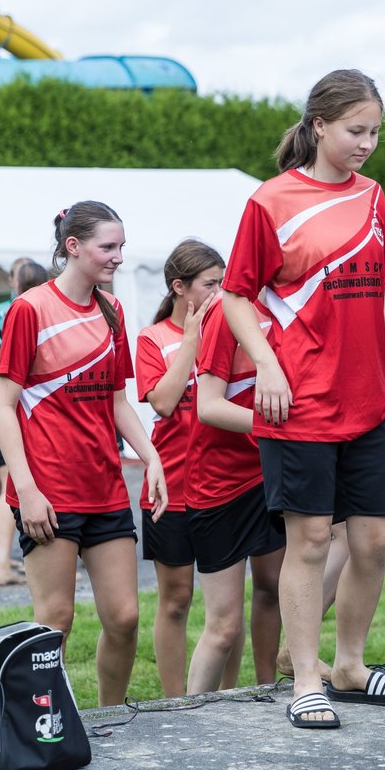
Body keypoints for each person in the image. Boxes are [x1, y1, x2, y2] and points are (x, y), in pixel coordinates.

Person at [220, 69, 385, 729]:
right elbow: (236, 297)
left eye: (376, 133)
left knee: (375, 538)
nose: (367, 143)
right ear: (319, 127)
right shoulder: (270, 202)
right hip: (298, 404)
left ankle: (352, 665)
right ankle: (305, 679)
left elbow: (380, 295)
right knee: (307, 540)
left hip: (367, 403)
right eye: (357, 131)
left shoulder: (373, 197)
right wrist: (268, 367)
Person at [0, 201, 166, 707]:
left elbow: (116, 402)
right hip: (47, 489)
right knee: (55, 622)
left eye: (121, 248)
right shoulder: (30, 309)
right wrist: (26, 489)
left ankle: (109, 718)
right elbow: (3, 407)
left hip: (104, 487)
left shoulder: (112, 310)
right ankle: (40, 724)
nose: (117, 258)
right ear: (74, 247)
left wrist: (152, 456)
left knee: (125, 617)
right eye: (107, 247)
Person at [134, 239, 224, 697]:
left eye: (223, 283)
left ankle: (227, 697)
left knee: (224, 610)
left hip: (223, 486)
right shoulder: (152, 340)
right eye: (211, 285)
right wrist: (192, 339)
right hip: (170, 486)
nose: (220, 293)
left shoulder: (230, 331)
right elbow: (165, 403)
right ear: (179, 288)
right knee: (176, 601)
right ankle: (175, 701)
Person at [186, 295, 286, 693]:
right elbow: (208, 407)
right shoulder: (226, 312)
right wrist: (283, 428)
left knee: (273, 590)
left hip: (269, 477)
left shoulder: (290, 305)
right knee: (223, 628)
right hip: (220, 484)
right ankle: (188, 720)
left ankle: (269, 691)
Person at [0, 258, 44, 586]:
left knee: (12, 486)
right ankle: (2, 565)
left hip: (6, 406)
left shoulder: (0, 313)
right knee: (14, 488)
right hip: (24, 411)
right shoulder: (37, 311)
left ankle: (7, 562)